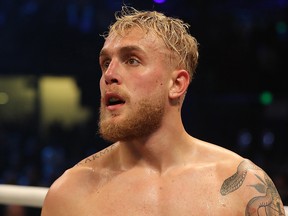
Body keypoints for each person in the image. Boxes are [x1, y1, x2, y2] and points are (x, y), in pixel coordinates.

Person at [41, 6, 285, 216]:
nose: (109, 75)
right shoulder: (69, 195)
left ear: (177, 84)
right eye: (106, 63)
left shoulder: (245, 186)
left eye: (132, 60)